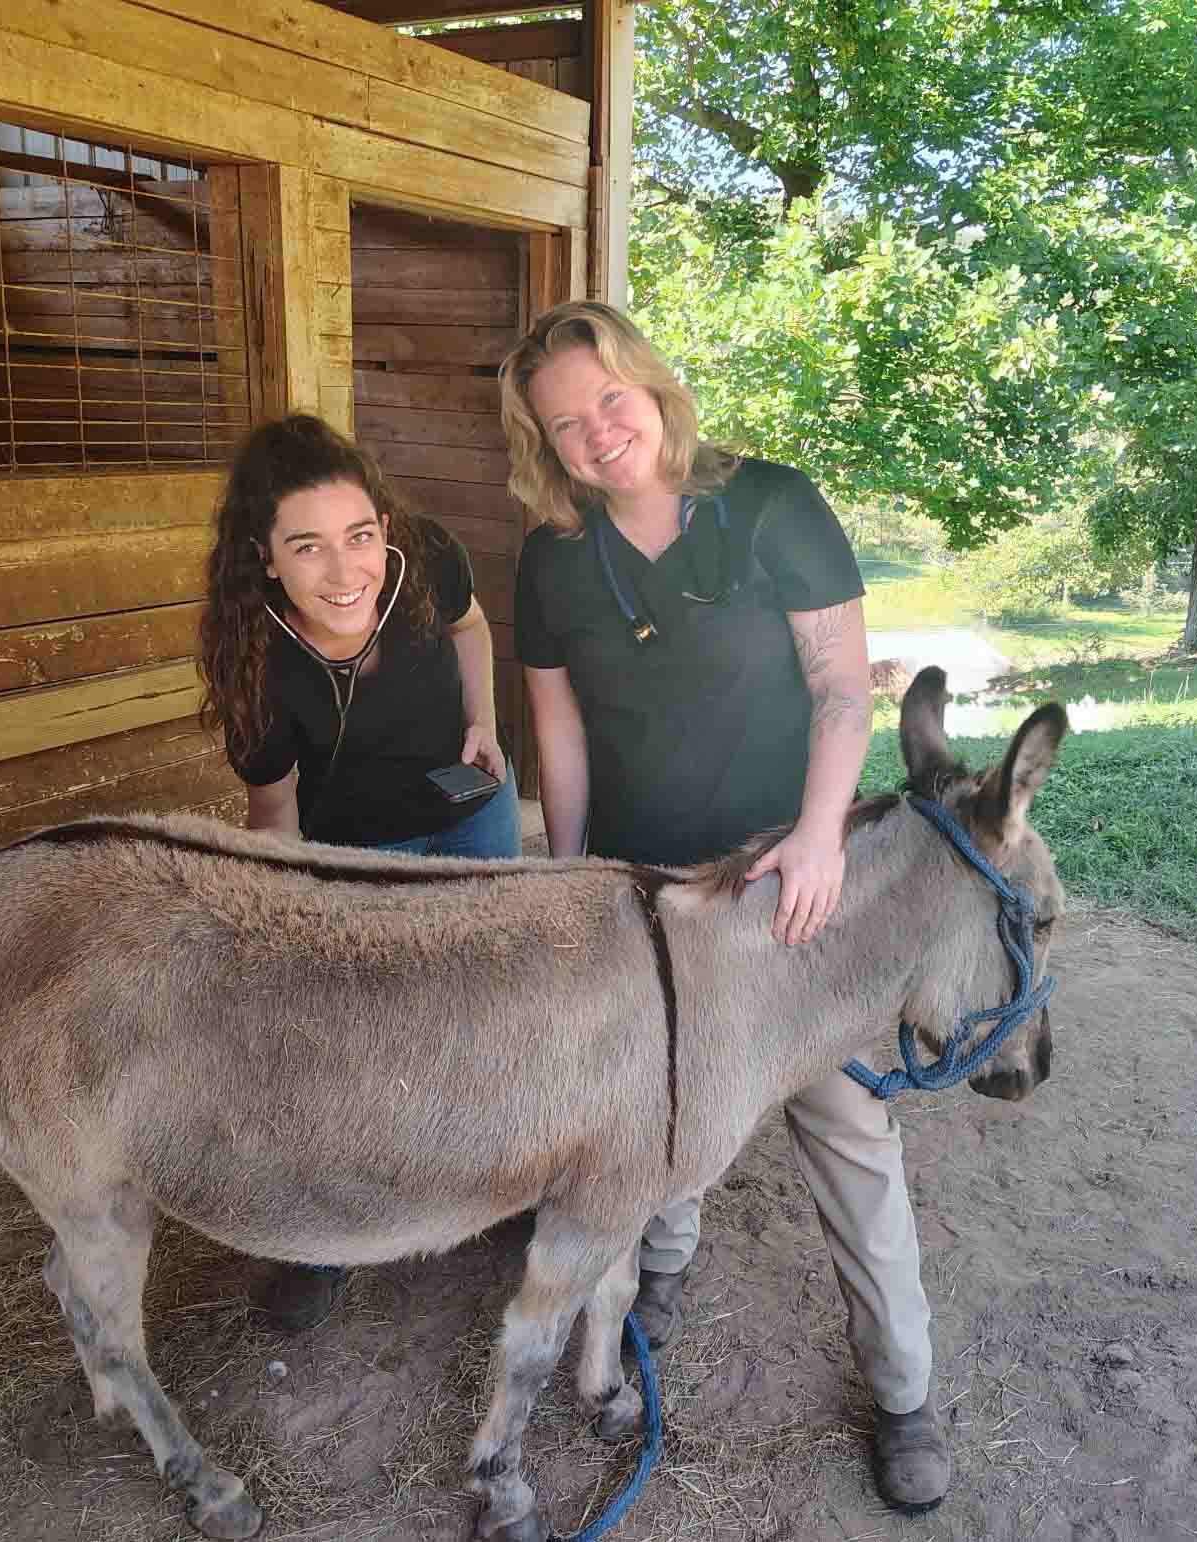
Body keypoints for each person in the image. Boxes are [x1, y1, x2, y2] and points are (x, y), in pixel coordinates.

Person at [501, 301, 951, 1514]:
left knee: (847, 1130)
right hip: (652, 901)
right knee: (659, 1122)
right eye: (565, 424)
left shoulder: (772, 506)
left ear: (651, 385)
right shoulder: (551, 557)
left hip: (784, 886)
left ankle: (902, 1390)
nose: (599, 433)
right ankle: (658, 1278)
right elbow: (558, 728)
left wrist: (817, 838)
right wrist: (576, 869)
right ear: (542, 447)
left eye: (610, 399)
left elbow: (840, 690)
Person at [199, 413, 521, 1326]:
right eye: (308, 548)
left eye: (360, 537)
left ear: (385, 529)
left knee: (482, 1011)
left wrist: (485, 723)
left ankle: (494, 1190)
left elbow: (469, 626)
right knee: (358, 1043)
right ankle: (328, 1239)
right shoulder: (255, 662)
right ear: (265, 558)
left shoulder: (429, 558)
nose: (345, 571)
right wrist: (285, 925)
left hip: (470, 814)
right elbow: (272, 808)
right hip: (356, 851)